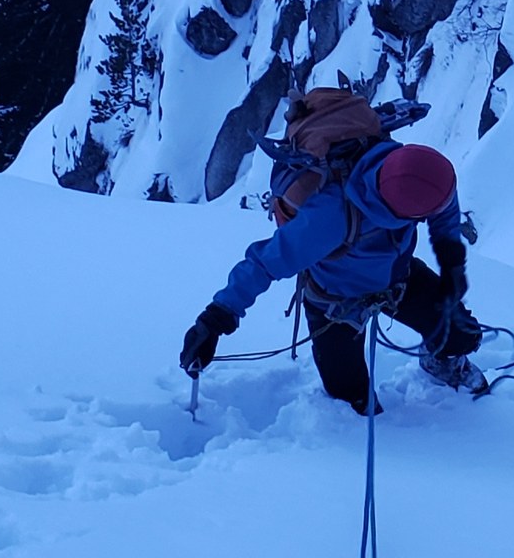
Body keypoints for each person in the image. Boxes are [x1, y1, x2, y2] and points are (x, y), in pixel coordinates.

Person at [179, 89, 485, 412]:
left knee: (463, 335)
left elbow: (445, 208)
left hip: (397, 278)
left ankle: (440, 363)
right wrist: (214, 320)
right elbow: (265, 262)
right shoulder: (331, 217)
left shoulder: (418, 173)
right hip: (334, 304)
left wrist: (452, 263)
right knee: (353, 402)